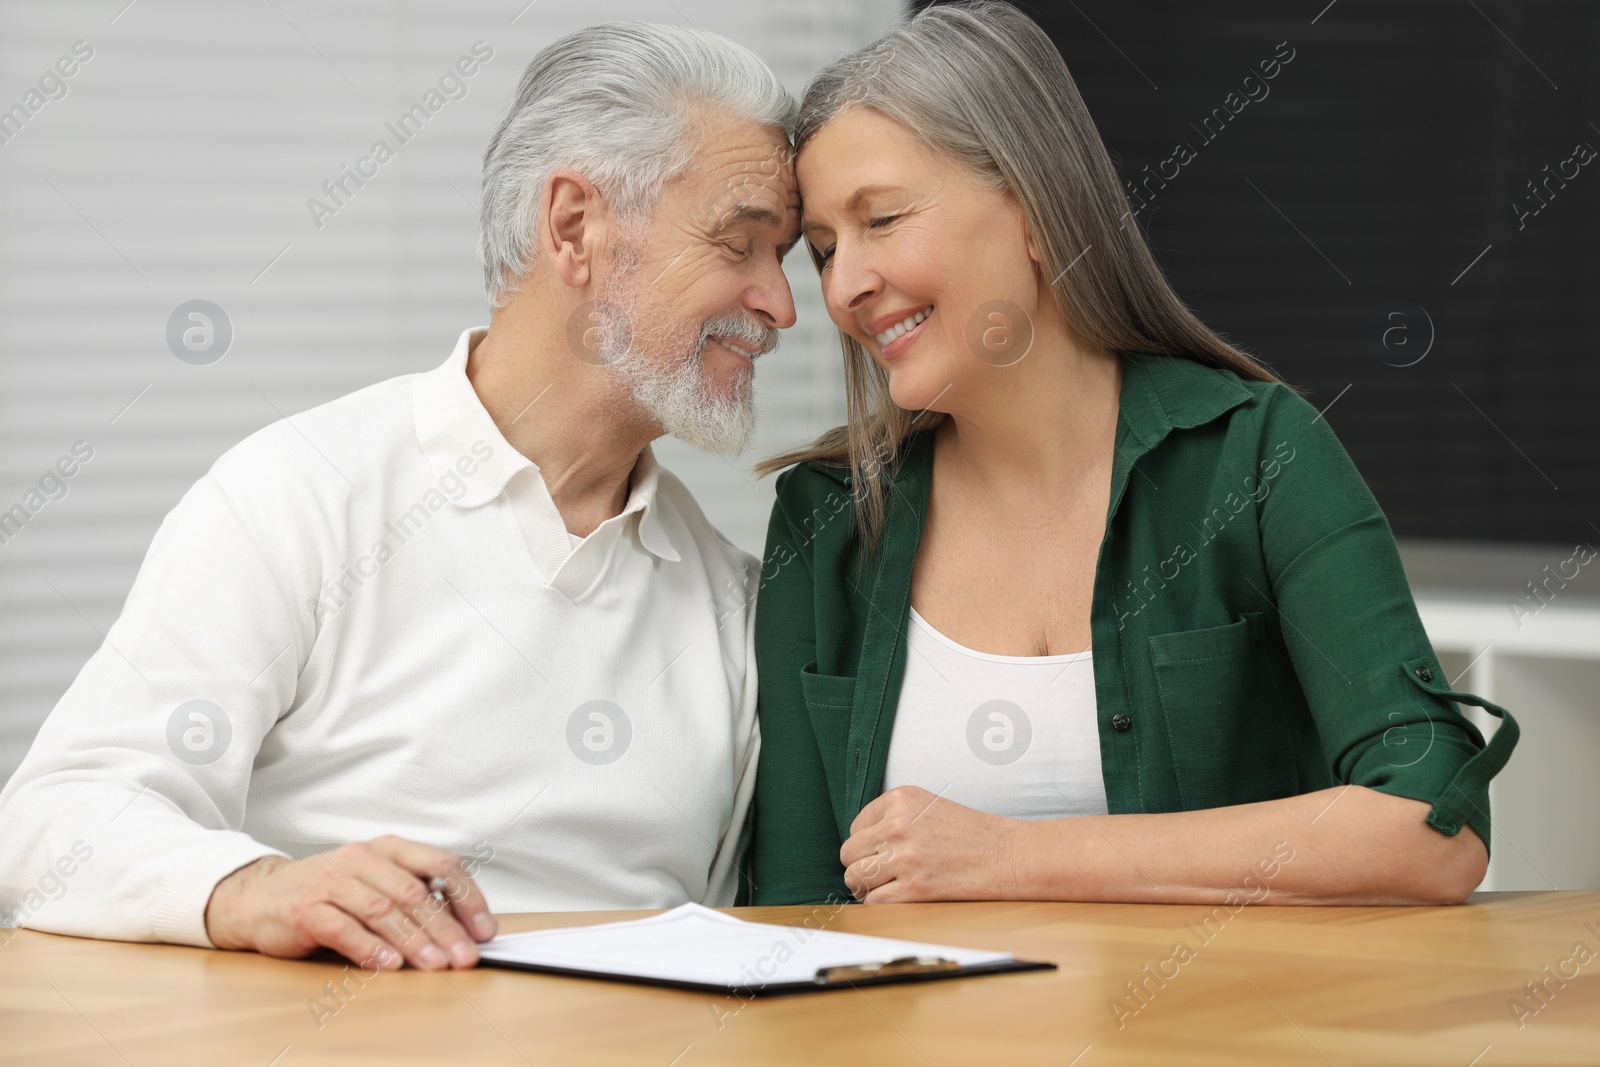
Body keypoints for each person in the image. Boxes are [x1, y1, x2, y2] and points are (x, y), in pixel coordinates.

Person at [0, 22, 800, 969]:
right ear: (574, 228)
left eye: (783, 258)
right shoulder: (300, 499)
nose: (781, 306)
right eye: (740, 244)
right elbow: (50, 823)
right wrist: (254, 888)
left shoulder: (731, 602)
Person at [747, 1, 1517, 908]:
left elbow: (1433, 827)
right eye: (827, 249)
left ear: (1034, 208)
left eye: (883, 221)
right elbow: (793, 922)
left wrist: (1013, 859)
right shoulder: (828, 517)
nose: (844, 287)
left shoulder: (1258, 457)